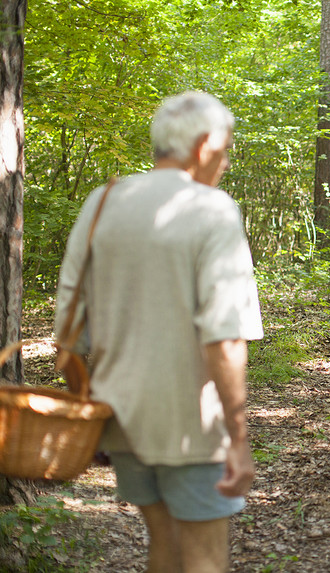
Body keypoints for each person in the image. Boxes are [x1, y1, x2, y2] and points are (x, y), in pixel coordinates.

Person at [54, 91, 263, 573]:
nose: (227, 163)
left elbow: (69, 326)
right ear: (205, 144)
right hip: (190, 423)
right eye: (226, 149)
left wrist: (89, 410)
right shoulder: (213, 209)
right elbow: (224, 338)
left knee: (164, 545)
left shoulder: (103, 200)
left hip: (120, 418)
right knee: (205, 556)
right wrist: (237, 436)